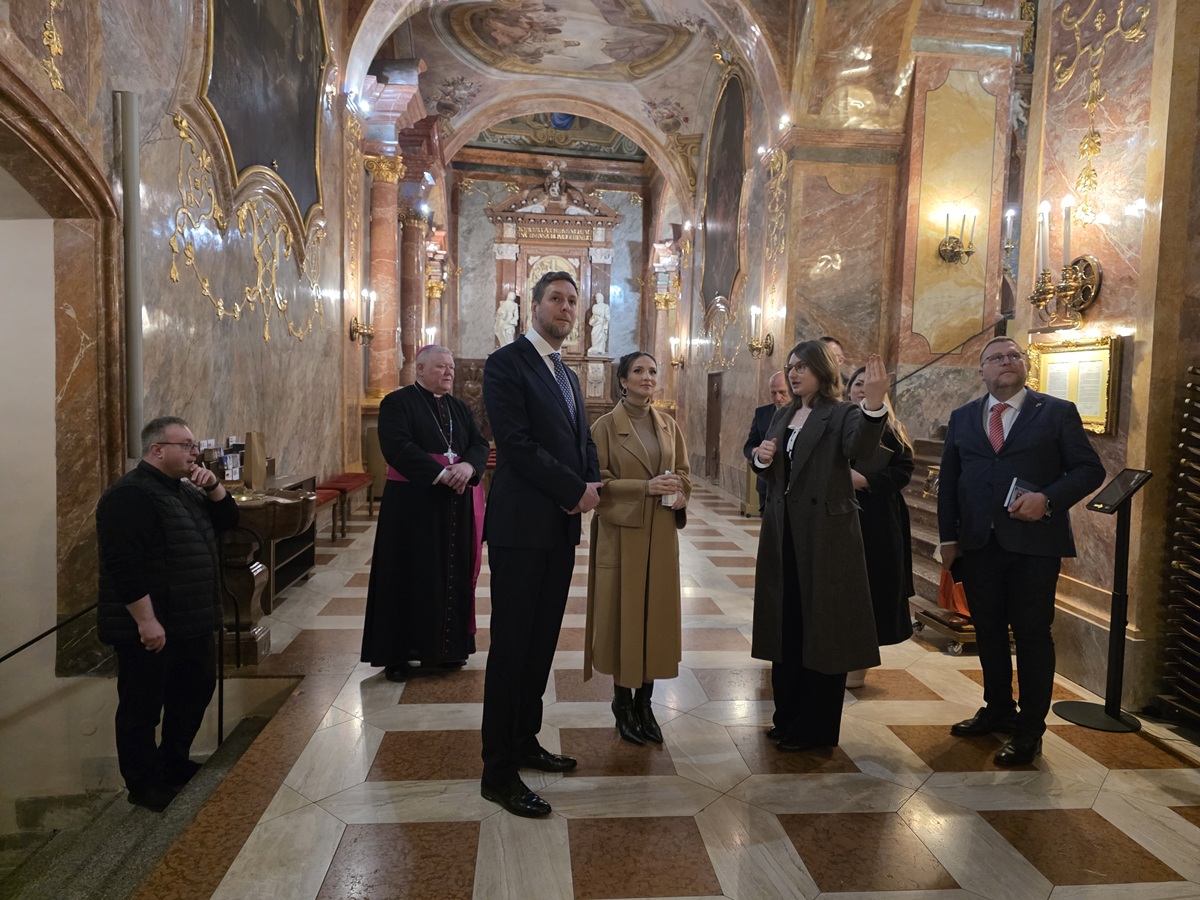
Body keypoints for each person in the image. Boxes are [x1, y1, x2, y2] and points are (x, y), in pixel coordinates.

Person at [939, 336, 1104, 765]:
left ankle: (1030, 729)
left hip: (1034, 546)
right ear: (982, 371)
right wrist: (947, 539)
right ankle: (997, 709)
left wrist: (1047, 499)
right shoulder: (962, 417)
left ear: (1026, 366)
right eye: (996, 358)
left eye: (1014, 355)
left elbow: (1090, 469)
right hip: (979, 544)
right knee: (989, 631)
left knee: (1032, 634)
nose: (1006, 361)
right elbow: (950, 482)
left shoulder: (1056, 412)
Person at [481, 270, 602, 817]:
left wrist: (589, 483)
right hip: (521, 528)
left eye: (573, 300)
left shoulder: (568, 375)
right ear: (533, 305)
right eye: (556, 298)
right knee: (512, 647)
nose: (566, 308)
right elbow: (517, 444)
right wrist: (574, 490)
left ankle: (524, 739)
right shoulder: (507, 364)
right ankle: (497, 771)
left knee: (541, 642)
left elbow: (581, 442)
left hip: (559, 528)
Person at [751, 342, 889, 752]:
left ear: (823, 370)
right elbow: (771, 470)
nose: (794, 374)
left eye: (802, 367)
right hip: (783, 534)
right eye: (790, 367)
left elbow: (861, 451)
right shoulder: (783, 414)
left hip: (826, 537)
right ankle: (787, 718)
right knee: (787, 626)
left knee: (824, 632)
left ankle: (814, 729)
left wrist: (874, 406)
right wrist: (761, 459)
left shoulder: (842, 413)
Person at [96, 416, 238, 812]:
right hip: (153, 625)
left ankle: (173, 763)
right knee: (142, 707)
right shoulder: (130, 495)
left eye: (194, 446)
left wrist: (213, 486)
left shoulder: (185, 490)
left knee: (193, 691)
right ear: (157, 450)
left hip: (189, 620)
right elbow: (123, 564)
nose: (195, 454)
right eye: (187, 446)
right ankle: (143, 784)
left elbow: (228, 521)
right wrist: (146, 620)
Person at [360, 346, 490, 681]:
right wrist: (441, 474)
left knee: (451, 575)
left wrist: (467, 467)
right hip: (412, 507)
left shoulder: (460, 408)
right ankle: (398, 655)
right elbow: (397, 447)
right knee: (406, 575)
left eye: (451, 368)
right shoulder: (397, 403)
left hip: (455, 506)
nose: (449, 373)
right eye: (441, 367)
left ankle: (447, 651)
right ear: (419, 369)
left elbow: (479, 444)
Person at [585, 352, 690, 745]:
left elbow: (683, 473)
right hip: (622, 536)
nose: (648, 377)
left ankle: (646, 703)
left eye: (653, 371)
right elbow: (598, 483)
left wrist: (680, 493)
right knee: (623, 617)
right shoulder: (604, 427)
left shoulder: (668, 425)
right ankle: (622, 703)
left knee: (655, 617)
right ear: (622, 380)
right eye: (639, 371)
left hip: (660, 535)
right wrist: (644, 488)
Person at [845, 365, 916, 689]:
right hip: (839, 516)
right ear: (848, 389)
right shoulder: (837, 421)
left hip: (878, 519)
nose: (863, 389)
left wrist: (866, 480)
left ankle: (857, 668)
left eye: (869, 384)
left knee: (871, 592)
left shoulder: (892, 428)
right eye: (858, 383)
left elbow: (903, 470)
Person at [743, 370, 790, 514]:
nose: (778, 398)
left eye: (782, 392)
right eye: (773, 393)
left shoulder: (802, 414)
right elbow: (749, 446)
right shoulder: (762, 413)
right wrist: (756, 452)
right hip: (767, 485)